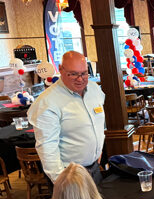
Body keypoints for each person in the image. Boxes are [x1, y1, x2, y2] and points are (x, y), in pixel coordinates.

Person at [28, 51, 105, 184]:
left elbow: (99, 121)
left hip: (95, 169)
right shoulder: (47, 102)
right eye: (73, 74)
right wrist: (61, 182)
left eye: (84, 73)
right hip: (69, 176)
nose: (80, 79)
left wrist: (98, 149)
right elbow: (47, 148)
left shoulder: (94, 89)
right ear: (61, 70)